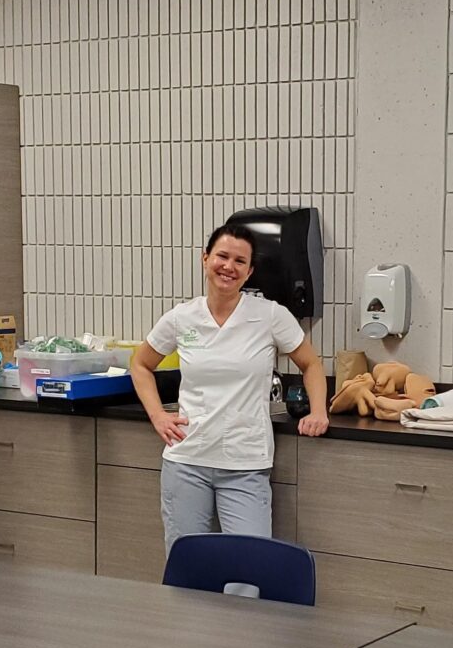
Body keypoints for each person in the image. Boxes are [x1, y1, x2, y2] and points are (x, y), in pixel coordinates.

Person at [129, 222, 329, 549]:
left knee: (248, 566)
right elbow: (140, 364)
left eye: (240, 261)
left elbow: (311, 364)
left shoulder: (270, 316)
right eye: (222, 256)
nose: (228, 267)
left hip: (245, 464)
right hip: (187, 459)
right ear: (205, 259)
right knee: (188, 564)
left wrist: (318, 411)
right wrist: (157, 415)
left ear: (249, 273)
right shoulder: (182, 317)